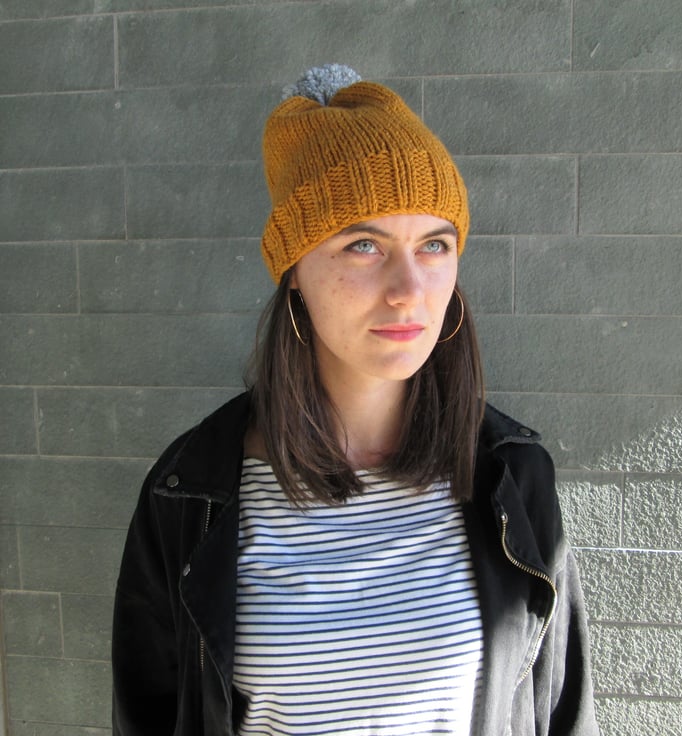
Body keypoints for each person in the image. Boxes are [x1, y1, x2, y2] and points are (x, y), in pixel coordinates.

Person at [112, 64, 599, 736]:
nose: (409, 289)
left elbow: (560, 710)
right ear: (294, 272)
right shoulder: (188, 494)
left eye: (434, 244)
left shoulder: (512, 476)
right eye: (364, 244)